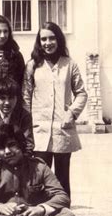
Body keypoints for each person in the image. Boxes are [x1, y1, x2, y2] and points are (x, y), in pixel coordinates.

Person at [22, 22, 88, 197]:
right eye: (43, 39)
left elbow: (81, 93)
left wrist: (72, 113)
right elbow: (25, 97)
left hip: (62, 129)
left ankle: (63, 215)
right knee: (38, 177)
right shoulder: (32, 65)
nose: (48, 43)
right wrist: (27, 125)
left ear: (58, 40)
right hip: (38, 130)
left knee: (61, 177)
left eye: (52, 38)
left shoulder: (69, 64)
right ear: (39, 41)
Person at [0, 77, 34, 169]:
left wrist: (16, 161)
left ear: (17, 98)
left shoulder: (24, 115)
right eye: (2, 98)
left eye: (11, 98)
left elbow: (28, 145)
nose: (7, 103)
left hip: (18, 160)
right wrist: (2, 163)